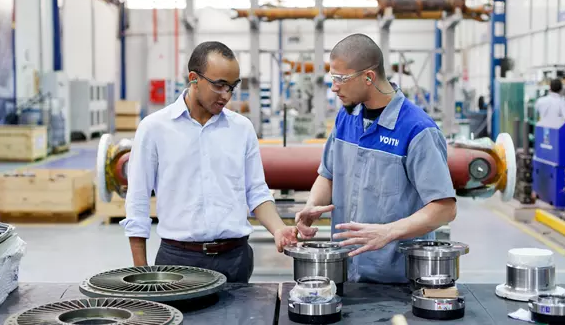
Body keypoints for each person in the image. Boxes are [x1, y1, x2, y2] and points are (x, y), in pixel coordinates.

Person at [120, 41, 298, 283]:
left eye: (232, 87)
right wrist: (141, 274)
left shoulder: (242, 129)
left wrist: (278, 229)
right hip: (179, 261)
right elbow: (138, 201)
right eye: (219, 85)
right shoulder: (154, 129)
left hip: (235, 259)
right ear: (194, 78)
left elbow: (256, 191)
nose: (226, 95)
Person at [294, 33, 457, 284]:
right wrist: (311, 206)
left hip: (396, 278)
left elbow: (444, 209)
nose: (334, 87)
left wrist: (388, 233)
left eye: (340, 79)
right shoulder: (346, 117)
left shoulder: (417, 130)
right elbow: (327, 175)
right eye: (332, 78)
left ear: (368, 77)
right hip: (344, 270)